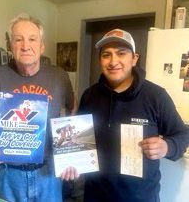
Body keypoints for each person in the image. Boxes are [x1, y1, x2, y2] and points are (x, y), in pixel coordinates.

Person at [0, 13, 78, 202]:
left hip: (48, 173)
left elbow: (72, 111)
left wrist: (70, 152)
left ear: (41, 46)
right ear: (10, 45)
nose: (25, 46)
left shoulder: (59, 76)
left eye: (32, 39)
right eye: (18, 39)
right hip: (6, 174)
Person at [78, 29, 189, 202]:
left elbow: (183, 135)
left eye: (121, 53)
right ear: (100, 60)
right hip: (95, 195)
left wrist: (167, 146)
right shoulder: (89, 96)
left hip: (139, 198)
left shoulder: (156, 96)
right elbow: (79, 139)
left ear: (134, 59)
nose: (113, 61)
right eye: (107, 55)